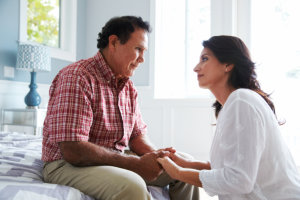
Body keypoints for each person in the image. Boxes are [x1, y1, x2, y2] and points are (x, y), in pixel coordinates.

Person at [42, 16, 199, 200]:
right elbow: (73, 150)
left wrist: (158, 158)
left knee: (185, 170)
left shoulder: (128, 87)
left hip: (113, 158)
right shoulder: (77, 77)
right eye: (138, 49)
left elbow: (137, 136)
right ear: (114, 42)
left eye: (144, 51)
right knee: (132, 186)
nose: (142, 59)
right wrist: (135, 163)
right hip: (66, 164)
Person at [157, 35, 300, 199]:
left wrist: (178, 173)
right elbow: (232, 168)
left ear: (228, 64)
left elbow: (239, 179)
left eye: (205, 59)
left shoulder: (241, 101)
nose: (196, 68)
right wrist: (186, 164)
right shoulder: (235, 103)